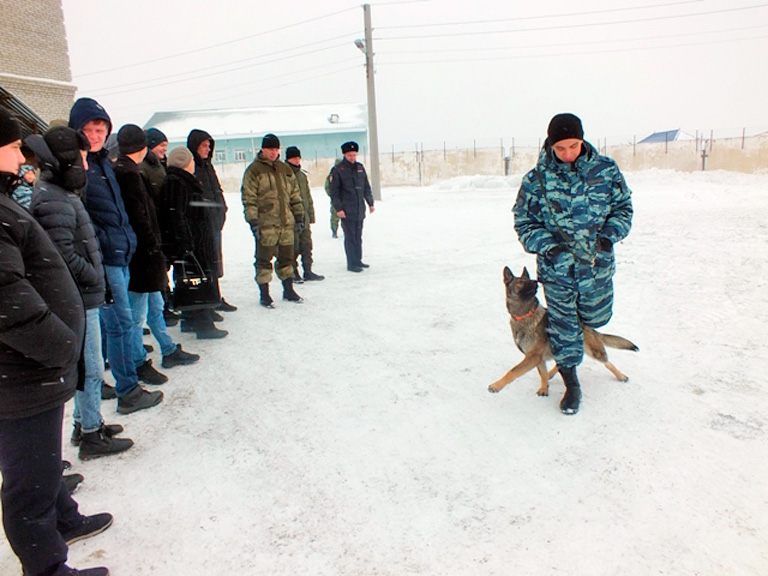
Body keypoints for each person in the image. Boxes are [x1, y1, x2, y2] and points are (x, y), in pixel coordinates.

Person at [0, 107, 111, 576]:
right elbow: (7, 296)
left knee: (43, 467)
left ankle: (62, 520)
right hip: (23, 370)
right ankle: (47, 568)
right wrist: (62, 345)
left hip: (30, 369)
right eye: (10, 147)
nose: (20, 155)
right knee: (29, 479)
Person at [512, 113, 633, 415]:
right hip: (558, 271)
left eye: (574, 145)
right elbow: (523, 221)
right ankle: (571, 384)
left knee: (596, 317)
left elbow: (623, 207)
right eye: (561, 148)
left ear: (583, 140)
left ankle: (588, 344)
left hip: (596, 267)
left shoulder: (605, 171)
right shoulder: (536, 179)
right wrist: (548, 247)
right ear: (551, 145)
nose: (568, 154)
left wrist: (608, 237)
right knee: (564, 327)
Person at [27, 126, 134, 460]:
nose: (87, 167)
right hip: (78, 296)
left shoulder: (61, 192)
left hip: (82, 293)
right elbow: (62, 256)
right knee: (89, 366)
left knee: (89, 366)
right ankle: (91, 434)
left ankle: (84, 423)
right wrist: (94, 277)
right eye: (82, 159)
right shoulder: (52, 198)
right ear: (67, 160)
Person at [69, 97, 163, 415]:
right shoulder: (78, 168)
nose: (95, 135)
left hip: (121, 255)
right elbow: (79, 221)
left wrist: (131, 240)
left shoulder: (103, 164)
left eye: (101, 128)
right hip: (104, 260)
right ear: (76, 131)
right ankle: (127, 390)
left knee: (118, 326)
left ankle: (101, 406)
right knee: (120, 326)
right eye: (89, 129)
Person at [113, 125, 201, 372]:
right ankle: (136, 362)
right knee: (136, 315)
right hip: (143, 254)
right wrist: (152, 246)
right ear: (142, 147)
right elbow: (138, 216)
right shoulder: (128, 173)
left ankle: (168, 349)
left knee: (155, 305)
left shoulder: (130, 170)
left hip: (148, 251)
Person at [156, 146, 228, 339]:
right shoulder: (177, 183)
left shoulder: (178, 181)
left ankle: (190, 319)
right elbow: (176, 216)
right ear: (186, 163)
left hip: (192, 243)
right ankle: (203, 325)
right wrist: (185, 244)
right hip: (191, 245)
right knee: (197, 283)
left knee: (191, 282)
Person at [241, 133, 305, 307]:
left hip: (286, 223)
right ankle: (264, 294)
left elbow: (295, 195)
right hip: (265, 224)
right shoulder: (254, 171)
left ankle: (288, 290)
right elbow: (249, 198)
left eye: (276, 149)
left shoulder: (285, 170)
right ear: (263, 149)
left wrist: (299, 216)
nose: (273, 152)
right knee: (263, 260)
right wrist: (253, 221)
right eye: (270, 149)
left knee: (287, 258)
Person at [187, 128, 237, 313]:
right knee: (204, 264)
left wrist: (222, 210)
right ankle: (207, 301)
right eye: (203, 146)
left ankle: (215, 297)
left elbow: (216, 191)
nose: (207, 149)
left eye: (209, 146)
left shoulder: (208, 166)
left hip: (214, 223)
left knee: (215, 262)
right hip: (202, 225)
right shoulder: (192, 167)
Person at [140, 127, 178, 326]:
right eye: (161, 145)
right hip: (155, 223)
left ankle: (166, 302)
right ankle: (162, 308)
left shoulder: (160, 164)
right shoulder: (144, 167)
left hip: (163, 223)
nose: (165, 148)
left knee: (164, 264)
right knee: (158, 267)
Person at [328, 141, 375, 272]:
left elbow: (366, 187)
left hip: (359, 208)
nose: (352, 158)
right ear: (344, 155)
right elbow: (334, 192)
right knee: (350, 237)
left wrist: (370, 202)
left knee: (358, 236)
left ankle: (358, 260)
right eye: (350, 155)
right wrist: (339, 209)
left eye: (354, 155)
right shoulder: (338, 170)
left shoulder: (360, 168)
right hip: (346, 210)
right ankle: (351, 263)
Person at [285, 146, 324, 282]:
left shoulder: (302, 175)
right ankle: (293, 272)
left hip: (304, 217)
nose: (296, 160)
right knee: (293, 246)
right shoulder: (284, 174)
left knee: (307, 244)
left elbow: (307, 196)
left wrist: (311, 214)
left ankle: (308, 270)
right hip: (291, 218)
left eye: (298, 157)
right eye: (293, 158)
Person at [324, 158, 342, 238]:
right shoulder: (332, 175)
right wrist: (332, 195)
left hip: (346, 199)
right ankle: (334, 231)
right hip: (336, 199)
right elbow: (327, 186)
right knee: (335, 215)